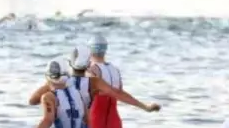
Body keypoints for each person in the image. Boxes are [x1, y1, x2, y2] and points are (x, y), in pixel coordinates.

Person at [28, 47, 160, 118]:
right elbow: (118, 94)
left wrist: (48, 82)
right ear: (88, 64)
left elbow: (32, 101)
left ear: (70, 63)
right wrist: (145, 107)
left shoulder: (58, 83)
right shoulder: (94, 83)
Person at [86, 34, 152, 128]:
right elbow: (120, 94)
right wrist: (144, 107)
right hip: (113, 121)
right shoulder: (114, 70)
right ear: (105, 50)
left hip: (95, 119)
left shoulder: (92, 70)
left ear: (90, 50)